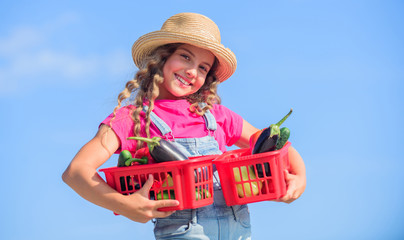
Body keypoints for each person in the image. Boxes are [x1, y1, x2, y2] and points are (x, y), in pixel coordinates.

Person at [62, 12, 306, 239]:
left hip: (238, 229)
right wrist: (123, 205)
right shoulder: (133, 118)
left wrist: (299, 177)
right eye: (185, 57)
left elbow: (271, 140)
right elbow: (76, 172)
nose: (192, 71)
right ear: (162, 57)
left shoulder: (215, 115)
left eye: (203, 67)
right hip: (184, 232)